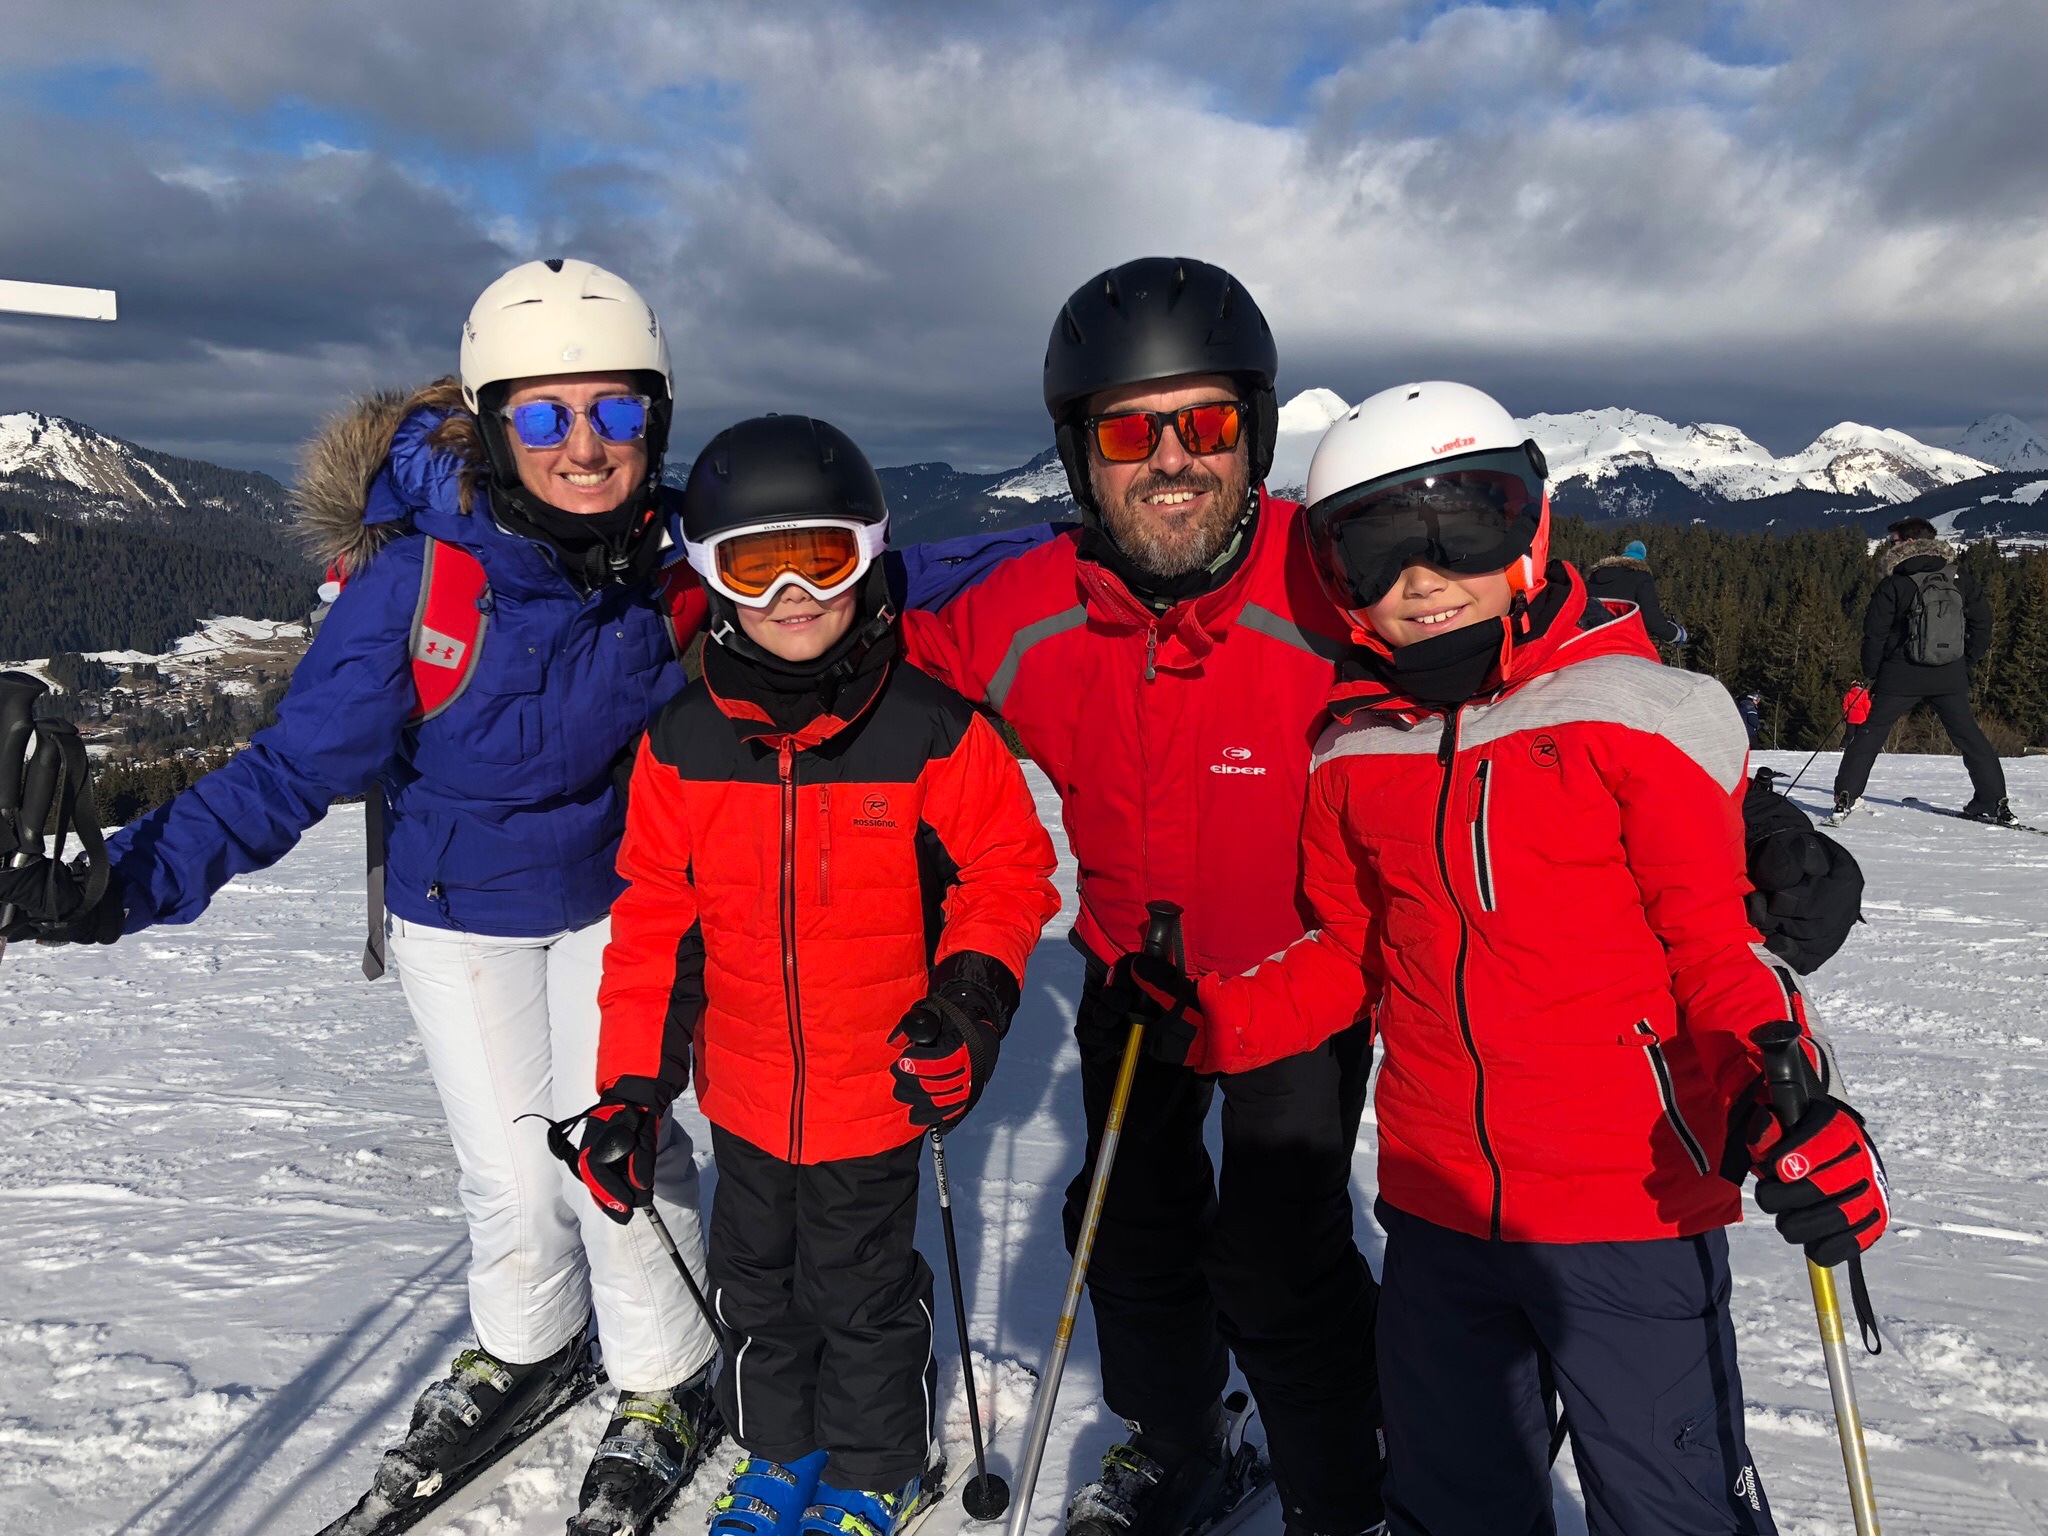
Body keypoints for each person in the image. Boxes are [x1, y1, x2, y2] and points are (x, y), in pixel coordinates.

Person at [0, 259, 1041, 1533]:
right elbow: (285, 772)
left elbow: (872, 571)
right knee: (507, 1174)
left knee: (623, 1156)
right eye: (546, 414)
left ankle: (662, 1373)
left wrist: (1084, 539)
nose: (585, 445)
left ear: (655, 417)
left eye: (616, 409)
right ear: (495, 425)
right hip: (458, 904)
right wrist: (120, 886)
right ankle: (526, 1341)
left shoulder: (675, 558)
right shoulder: (421, 586)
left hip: (618, 894)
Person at [1192, 381, 1891, 1536]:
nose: (1422, 577)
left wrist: (1783, 1095)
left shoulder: (1635, 712)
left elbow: (1716, 950)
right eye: (1374, 546)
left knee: (1668, 1508)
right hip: (1438, 1213)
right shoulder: (1350, 750)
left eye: (1464, 525)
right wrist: (1212, 1021)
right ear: (1334, 577)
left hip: (1627, 1209)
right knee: (1451, 1502)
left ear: (1528, 527)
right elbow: (1353, 956)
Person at [899, 257, 1386, 1536]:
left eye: (1203, 423)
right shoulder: (1028, 611)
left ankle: (1345, 1485)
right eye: (1128, 433)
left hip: (1300, 974)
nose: (1170, 461)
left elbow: (1507, 645)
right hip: (1132, 973)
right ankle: (1180, 1441)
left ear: (1253, 434)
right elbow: (876, 665)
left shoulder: (1329, 582)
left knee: (1279, 1255)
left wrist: (1738, 813)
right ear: (1080, 457)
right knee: (1121, 1230)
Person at [577, 414, 1059, 1536]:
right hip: (745, 1093)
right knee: (754, 1286)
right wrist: (631, 1092)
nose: (794, 593)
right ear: (713, 578)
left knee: (859, 1290)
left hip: (872, 1090)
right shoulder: (682, 743)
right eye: (758, 566)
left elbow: (1007, 871)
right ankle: (779, 1451)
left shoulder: (932, 730)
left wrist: (969, 1007)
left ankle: (878, 1463)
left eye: (822, 560)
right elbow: (654, 926)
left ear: (868, 560)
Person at [1831, 516, 2010, 822]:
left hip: (1899, 674)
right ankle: (1994, 801)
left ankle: (1846, 796)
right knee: (1969, 737)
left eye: (1893, 541)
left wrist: (1872, 673)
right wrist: (1965, 662)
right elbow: (1983, 624)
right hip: (1949, 674)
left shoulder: (1895, 582)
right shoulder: (1959, 577)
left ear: (1910, 543)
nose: (1889, 546)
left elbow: (1874, 633)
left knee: (1870, 735)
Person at [1585, 536, 1686, 645]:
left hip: (1588, 640)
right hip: (1620, 642)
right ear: (1642, 559)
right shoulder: (1641, 577)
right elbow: (1651, 620)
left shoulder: (1594, 577)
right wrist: (1676, 634)